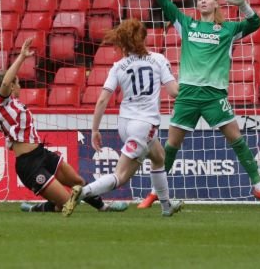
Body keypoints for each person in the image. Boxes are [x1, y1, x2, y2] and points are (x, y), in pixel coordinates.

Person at [138, 0, 260, 209]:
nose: (202, 0)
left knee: (237, 140)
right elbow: (163, 0)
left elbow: (256, 23)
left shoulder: (227, 30)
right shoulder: (186, 25)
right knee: (171, 147)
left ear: (216, 3)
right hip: (188, 93)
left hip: (214, 95)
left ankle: (259, 188)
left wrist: (244, 5)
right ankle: (156, 194)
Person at [0, 37, 126, 215]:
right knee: (65, 204)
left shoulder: (2, 104)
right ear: (10, 86)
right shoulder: (0, 102)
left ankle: (104, 208)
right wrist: (21, 57)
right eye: (16, 83)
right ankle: (37, 208)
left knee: (77, 181)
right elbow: (3, 84)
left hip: (41, 154)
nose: (19, 86)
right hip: (28, 164)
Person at [67, 19, 184, 217]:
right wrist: (194, 89)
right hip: (144, 125)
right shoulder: (159, 59)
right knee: (120, 176)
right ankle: (83, 192)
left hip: (125, 124)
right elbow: (174, 91)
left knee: (158, 157)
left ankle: (166, 206)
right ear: (144, 37)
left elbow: (103, 99)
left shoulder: (118, 66)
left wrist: (95, 130)